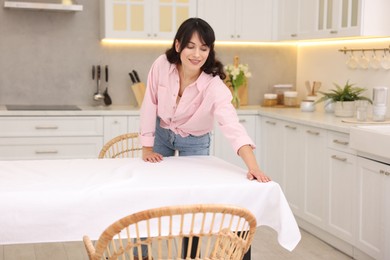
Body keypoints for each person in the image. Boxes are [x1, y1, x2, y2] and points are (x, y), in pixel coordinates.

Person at [139, 17, 271, 260]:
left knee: (194, 201)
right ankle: (140, 254)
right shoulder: (161, 65)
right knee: (149, 193)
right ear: (178, 45)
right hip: (162, 134)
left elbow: (232, 125)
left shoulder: (214, 86)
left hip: (195, 141)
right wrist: (147, 148)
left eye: (203, 48)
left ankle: (189, 255)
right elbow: (150, 104)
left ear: (210, 51)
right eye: (190, 46)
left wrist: (253, 167)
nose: (196, 54)